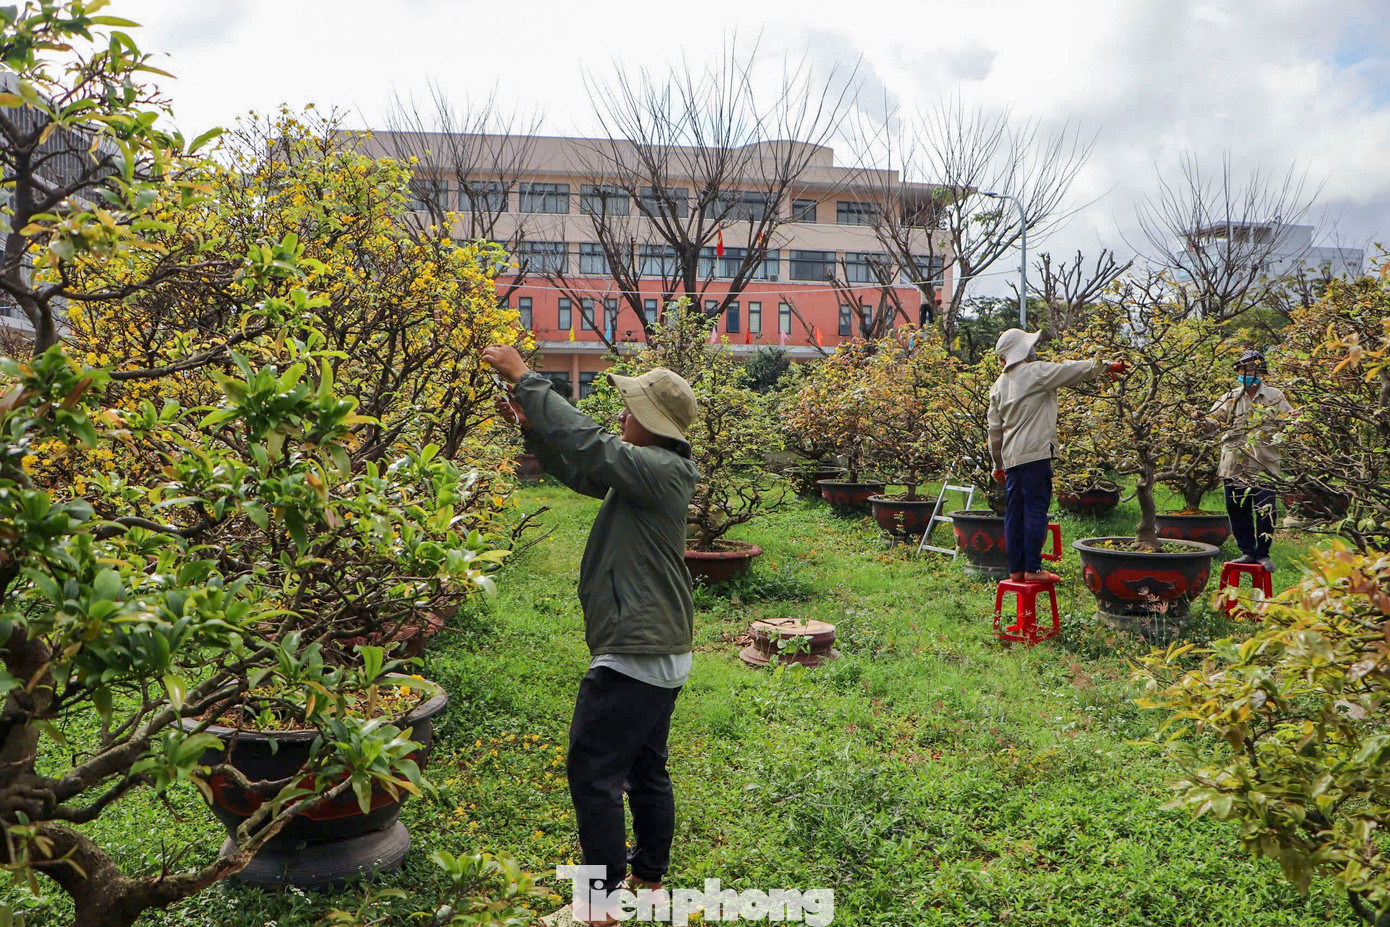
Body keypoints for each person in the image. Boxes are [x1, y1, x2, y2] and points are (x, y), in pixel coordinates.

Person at [482, 345, 698, 927]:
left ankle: (599, 906)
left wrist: (528, 381)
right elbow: (583, 470)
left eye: (629, 409)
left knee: (594, 771)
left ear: (649, 422)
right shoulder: (648, 474)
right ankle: (647, 878)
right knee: (645, 768)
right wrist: (535, 434)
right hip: (660, 647)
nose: (621, 417)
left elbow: (594, 446)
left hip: (636, 649)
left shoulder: (659, 469)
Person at [987, 329, 1124, 584]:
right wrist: (1105, 366)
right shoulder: (1035, 372)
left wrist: (998, 465)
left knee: (1014, 513)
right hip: (1036, 455)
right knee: (1035, 510)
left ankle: (1016, 568)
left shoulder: (998, 386)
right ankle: (1032, 568)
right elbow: (1071, 370)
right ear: (1024, 351)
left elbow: (994, 431)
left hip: (1012, 459)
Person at [1199, 349, 1293, 573]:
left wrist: (1294, 419)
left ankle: (1263, 553)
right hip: (1234, 463)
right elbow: (1213, 420)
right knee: (1236, 509)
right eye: (1243, 369)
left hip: (1264, 463)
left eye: (1252, 369)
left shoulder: (1274, 396)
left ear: (1261, 372)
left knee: (1266, 509)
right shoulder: (1230, 397)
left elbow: (1287, 421)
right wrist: (1199, 419)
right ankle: (1247, 551)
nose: (1247, 373)